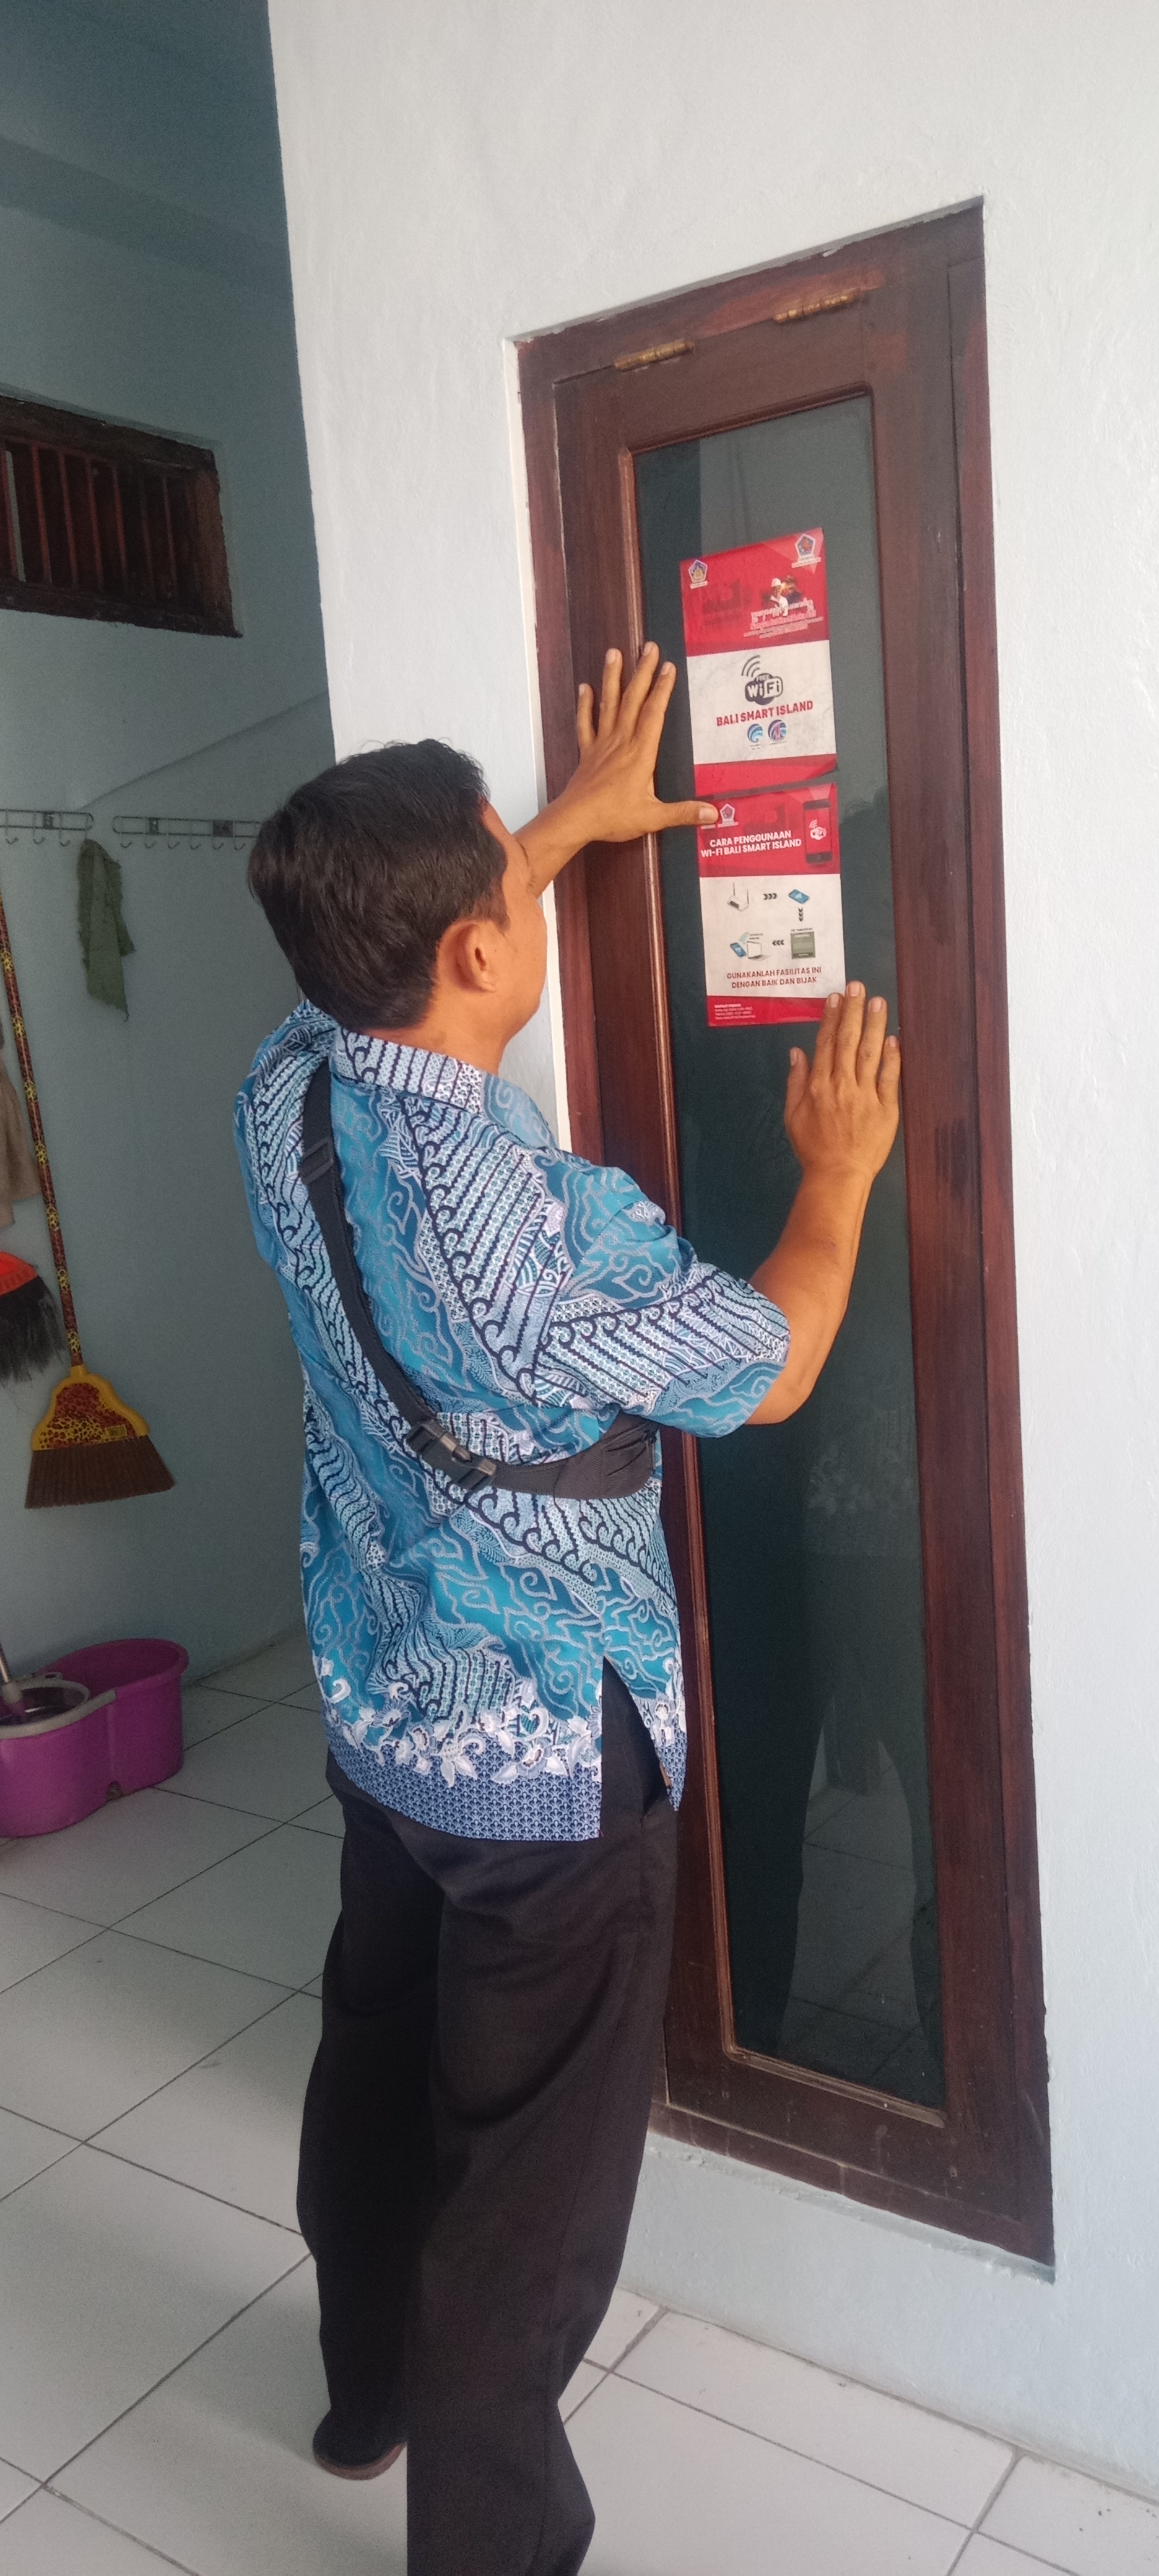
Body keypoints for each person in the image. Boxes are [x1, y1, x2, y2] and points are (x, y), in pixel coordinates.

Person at [235, 643, 900, 2576]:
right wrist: (838, 1178)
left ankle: (361, 2397)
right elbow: (771, 1360)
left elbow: (408, 950)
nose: (524, 887)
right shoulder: (540, 1230)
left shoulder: (285, 1087)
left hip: (381, 1697)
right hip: (544, 1766)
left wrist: (554, 831)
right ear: (470, 950)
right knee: (522, 2207)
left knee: (376, 2048)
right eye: (503, 880)